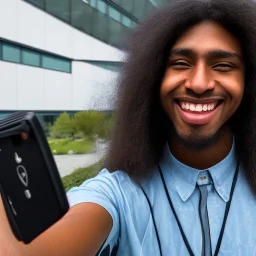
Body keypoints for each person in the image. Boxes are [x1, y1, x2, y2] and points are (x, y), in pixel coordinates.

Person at [1, 0, 256, 255]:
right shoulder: (118, 194)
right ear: (153, 78)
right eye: (180, 63)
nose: (199, 84)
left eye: (223, 65)